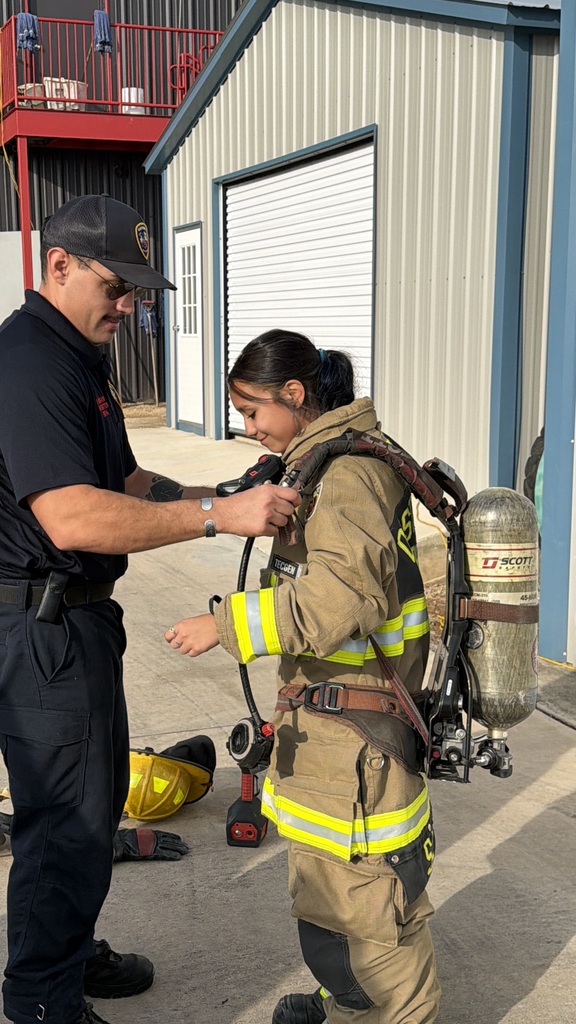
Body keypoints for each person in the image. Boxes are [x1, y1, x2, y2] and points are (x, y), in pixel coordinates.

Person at [0, 198, 300, 1024]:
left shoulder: (79, 358)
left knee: (89, 810)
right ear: (57, 266)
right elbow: (72, 516)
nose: (128, 309)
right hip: (40, 628)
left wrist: (224, 493)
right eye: (116, 287)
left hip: (77, 623)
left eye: (137, 294)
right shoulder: (31, 363)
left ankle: (66, 953)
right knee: (63, 824)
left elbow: (127, 486)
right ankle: (41, 1003)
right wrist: (215, 521)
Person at [165, 329, 441, 1024]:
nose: (251, 430)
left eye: (255, 412)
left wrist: (227, 626)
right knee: (332, 899)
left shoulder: (348, 475)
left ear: (295, 394)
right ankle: (342, 1003)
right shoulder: (325, 462)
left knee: (374, 919)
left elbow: (339, 600)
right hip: (329, 733)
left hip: (357, 745)